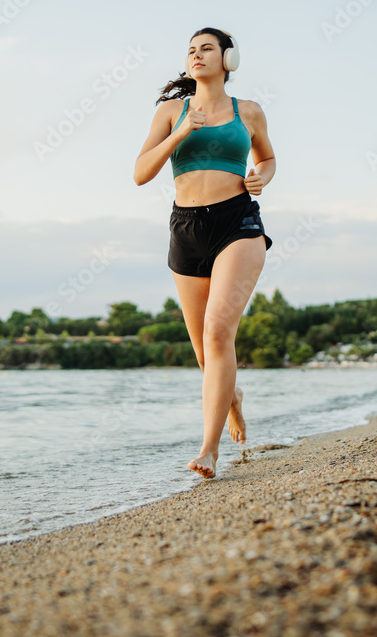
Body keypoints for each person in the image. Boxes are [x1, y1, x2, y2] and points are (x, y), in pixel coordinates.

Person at [133, 27, 275, 479]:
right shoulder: (171, 111)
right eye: (191, 50)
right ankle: (231, 396)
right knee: (203, 352)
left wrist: (261, 177)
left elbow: (268, 159)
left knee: (218, 334)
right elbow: (140, 173)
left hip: (237, 222)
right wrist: (179, 134)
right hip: (186, 228)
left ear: (228, 58)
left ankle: (209, 450)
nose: (196, 56)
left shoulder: (248, 111)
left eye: (206, 49)